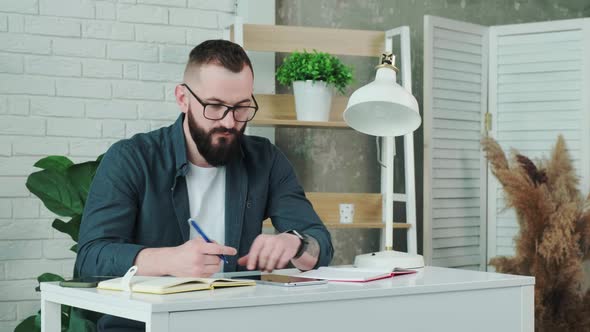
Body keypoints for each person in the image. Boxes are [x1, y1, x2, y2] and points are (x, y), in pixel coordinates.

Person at [75, 39, 334, 331]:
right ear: (183, 98)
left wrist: (295, 244)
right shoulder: (131, 158)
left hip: (235, 322)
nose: (229, 122)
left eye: (241, 108)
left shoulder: (265, 159)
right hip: (144, 325)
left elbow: (319, 242)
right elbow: (90, 258)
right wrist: (168, 260)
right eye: (214, 106)